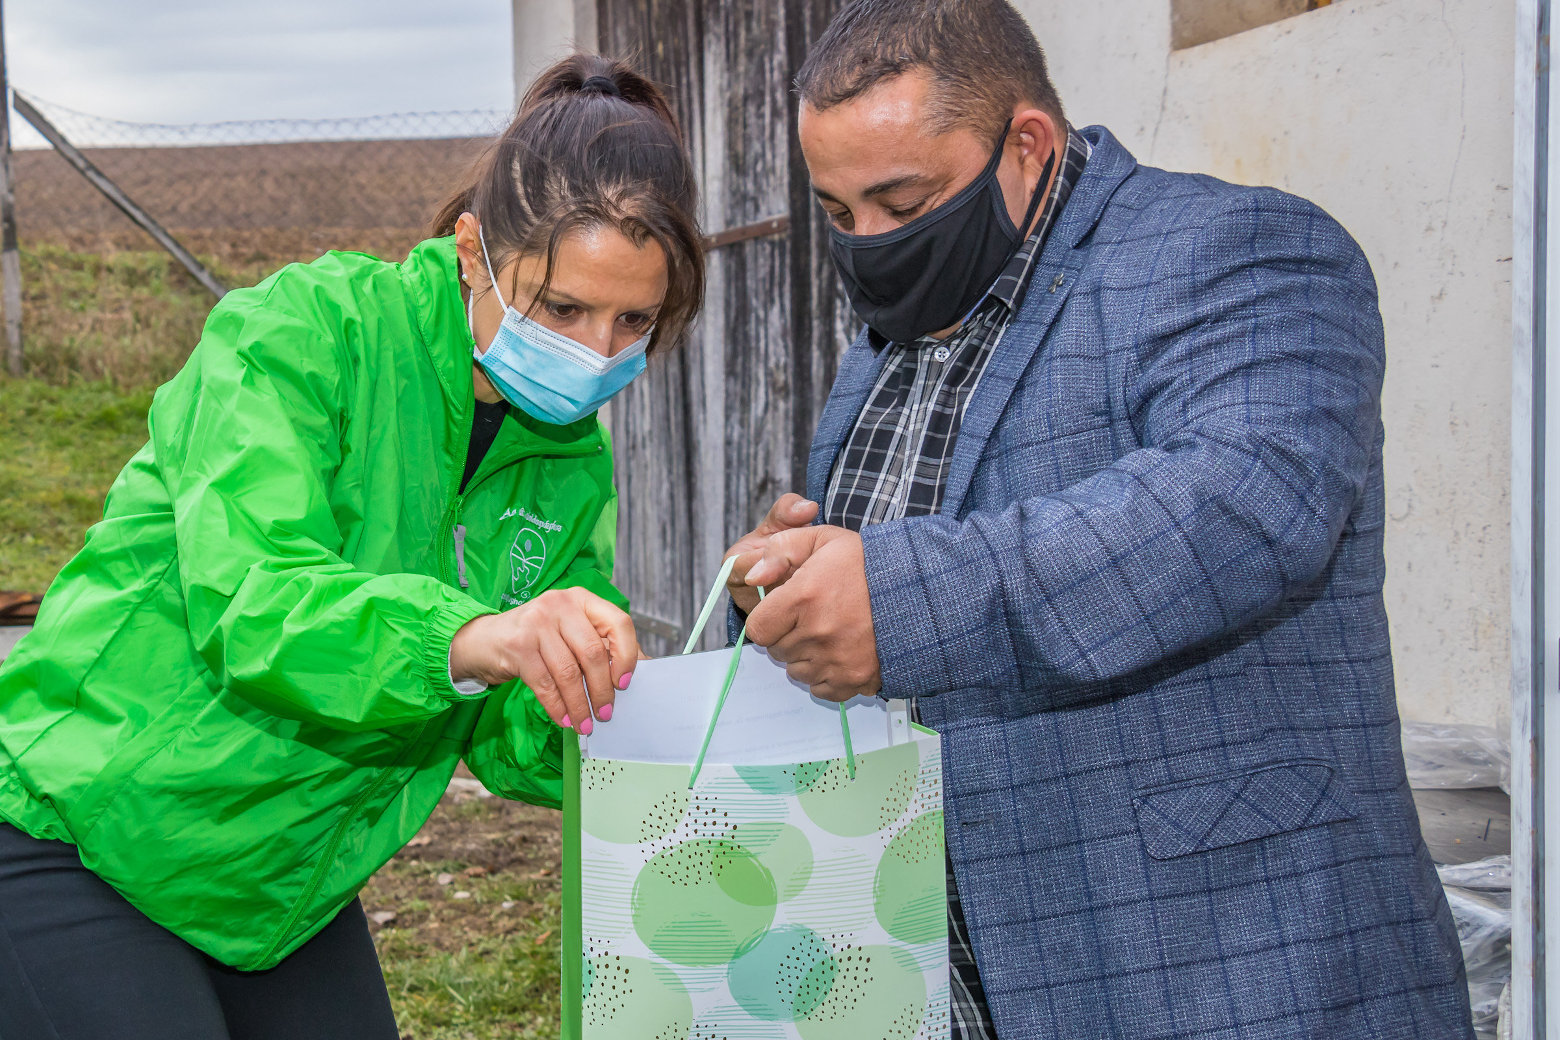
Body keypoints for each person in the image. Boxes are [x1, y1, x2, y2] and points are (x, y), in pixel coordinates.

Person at [723, 1, 1475, 1037]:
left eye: (902, 201)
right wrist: (790, 585)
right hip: (963, 977)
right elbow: (879, 579)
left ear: (1025, 145)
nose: (870, 245)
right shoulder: (884, 344)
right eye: (840, 213)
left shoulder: (1243, 251)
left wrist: (893, 597)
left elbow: (1244, 505)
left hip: (1222, 973)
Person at [0, 54, 703, 1040]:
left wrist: (689, 679)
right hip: (81, 826)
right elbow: (255, 604)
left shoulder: (568, 464)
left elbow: (514, 736)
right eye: (562, 309)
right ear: (473, 251)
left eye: (633, 321)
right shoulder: (302, 334)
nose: (595, 352)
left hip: (279, 881)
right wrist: (476, 636)